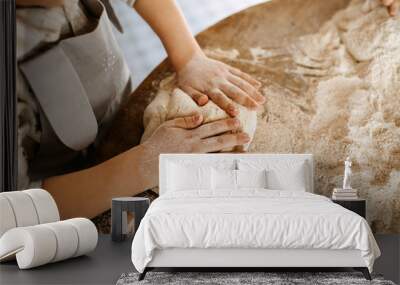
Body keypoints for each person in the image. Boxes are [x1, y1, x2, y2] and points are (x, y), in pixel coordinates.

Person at [16, 0, 398, 220]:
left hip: (109, 107)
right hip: (58, 187)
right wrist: (146, 164)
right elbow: (10, 213)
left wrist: (188, 57)